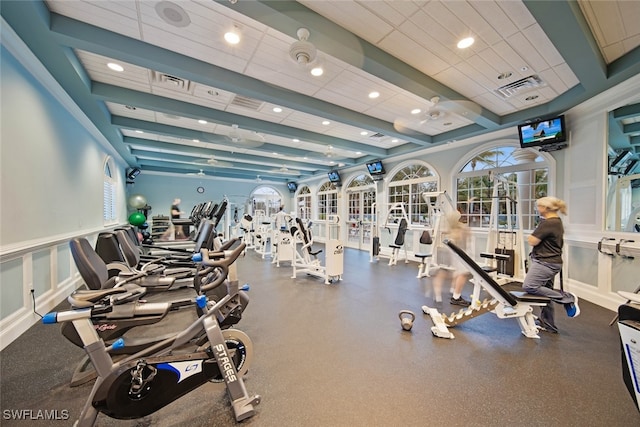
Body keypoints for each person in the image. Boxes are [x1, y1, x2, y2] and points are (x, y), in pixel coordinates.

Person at [522, 196, 579, 333]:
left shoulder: (549, 223)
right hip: (550, 262)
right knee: (544, 295)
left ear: (545, 208)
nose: (537, 209)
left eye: (538, 206)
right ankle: (548, 324)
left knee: (530, 286)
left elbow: (532, 241)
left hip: (545, 263)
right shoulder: (555, 221)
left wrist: (531, 236)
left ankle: (567, 299)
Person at [427, 211, 471, 307]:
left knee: (448, 273)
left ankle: (445, 293)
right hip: (456, 252)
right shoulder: (459, 229)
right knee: (462, 274)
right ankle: (456, 297)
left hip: (453, 251)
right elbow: (463, 238)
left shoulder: (454, 228)